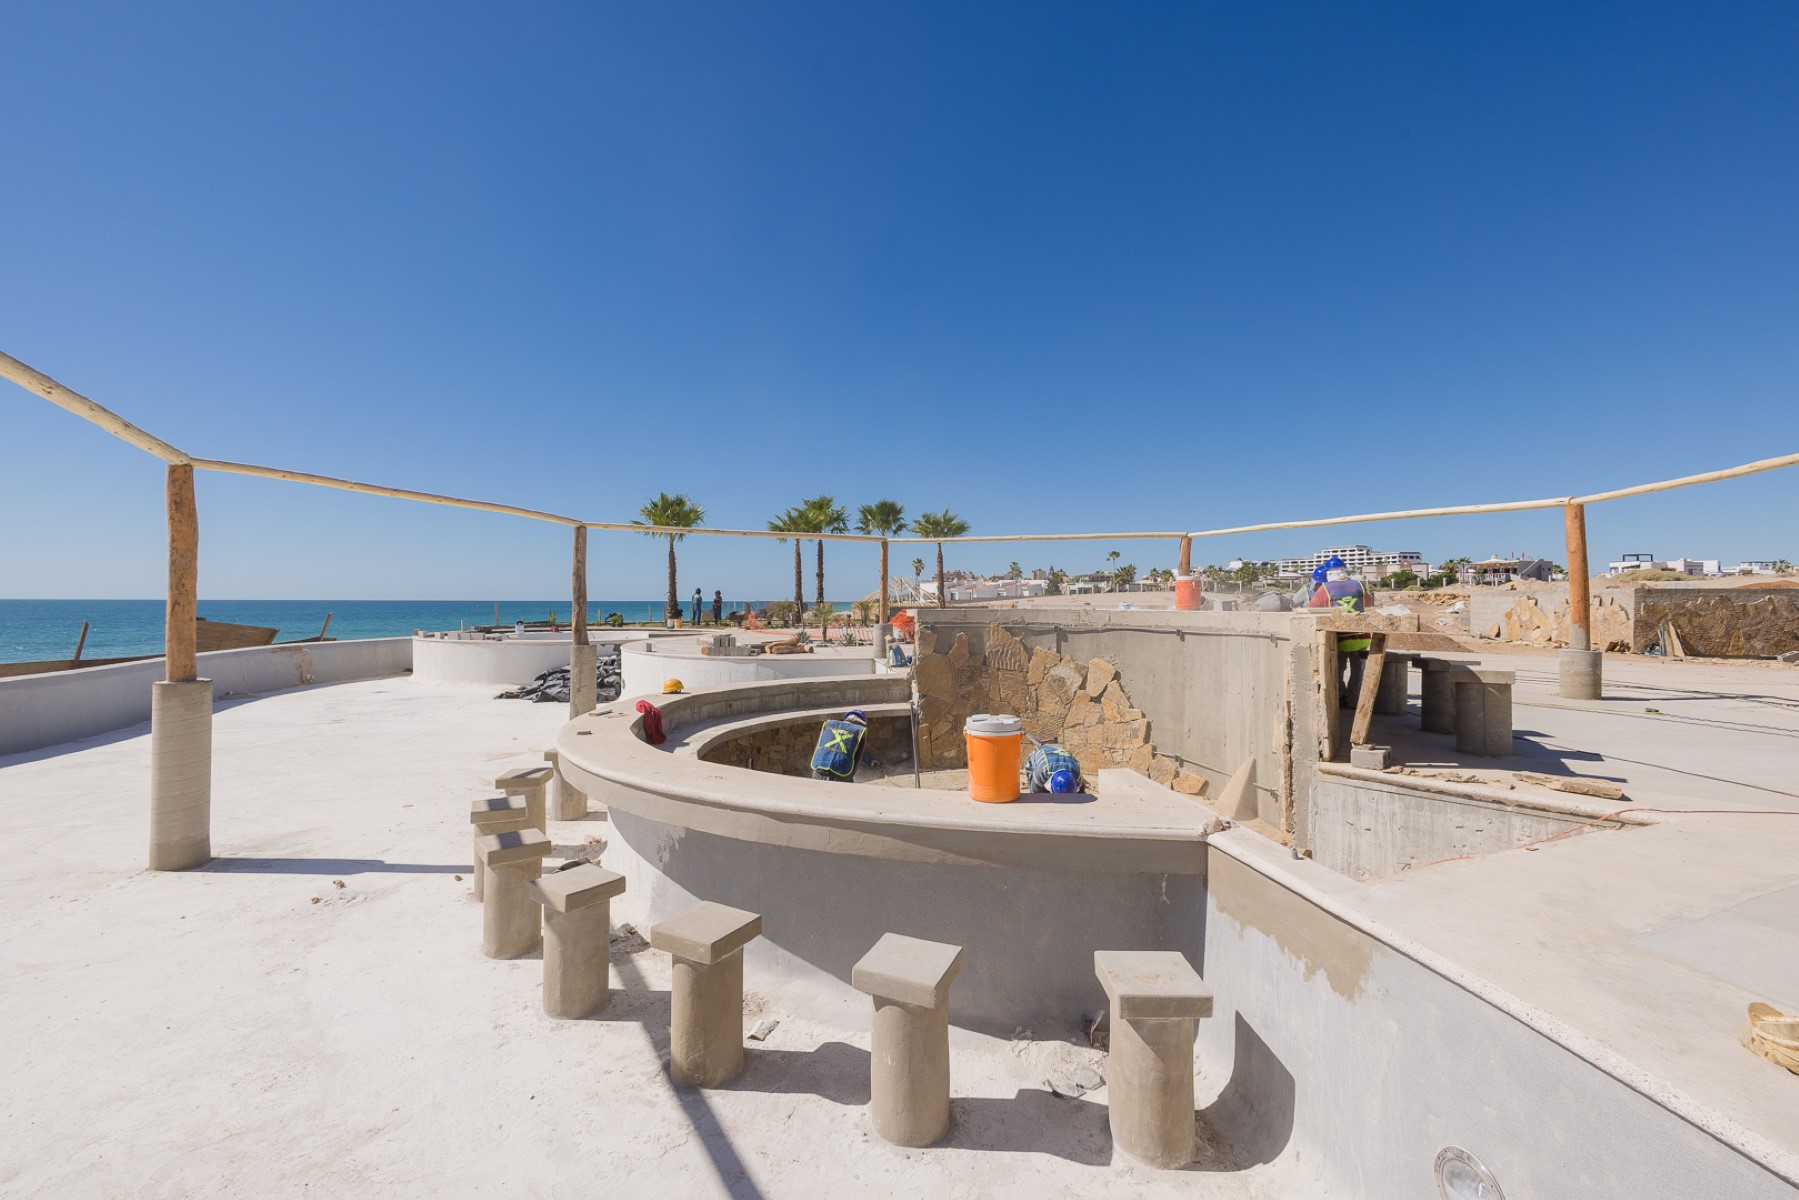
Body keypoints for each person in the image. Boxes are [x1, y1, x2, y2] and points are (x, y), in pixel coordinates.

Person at [1307, 556, 1371, 705]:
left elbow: (1312, 610)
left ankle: (1340, 696)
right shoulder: (1359, 585)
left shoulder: (1325, 589)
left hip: (1340, 639)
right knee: (1358, 671)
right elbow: (1368, 604)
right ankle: (1354, 700)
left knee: (1337, 670)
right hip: (1362, 637)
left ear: (1328, 573)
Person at [809, 709, 869, 782]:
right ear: (861, 723)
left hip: (818, 769)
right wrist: (849, 779)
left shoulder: (829, 724)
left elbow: (818, 749)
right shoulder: (860, 732)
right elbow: (857, 759)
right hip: (840, 774)